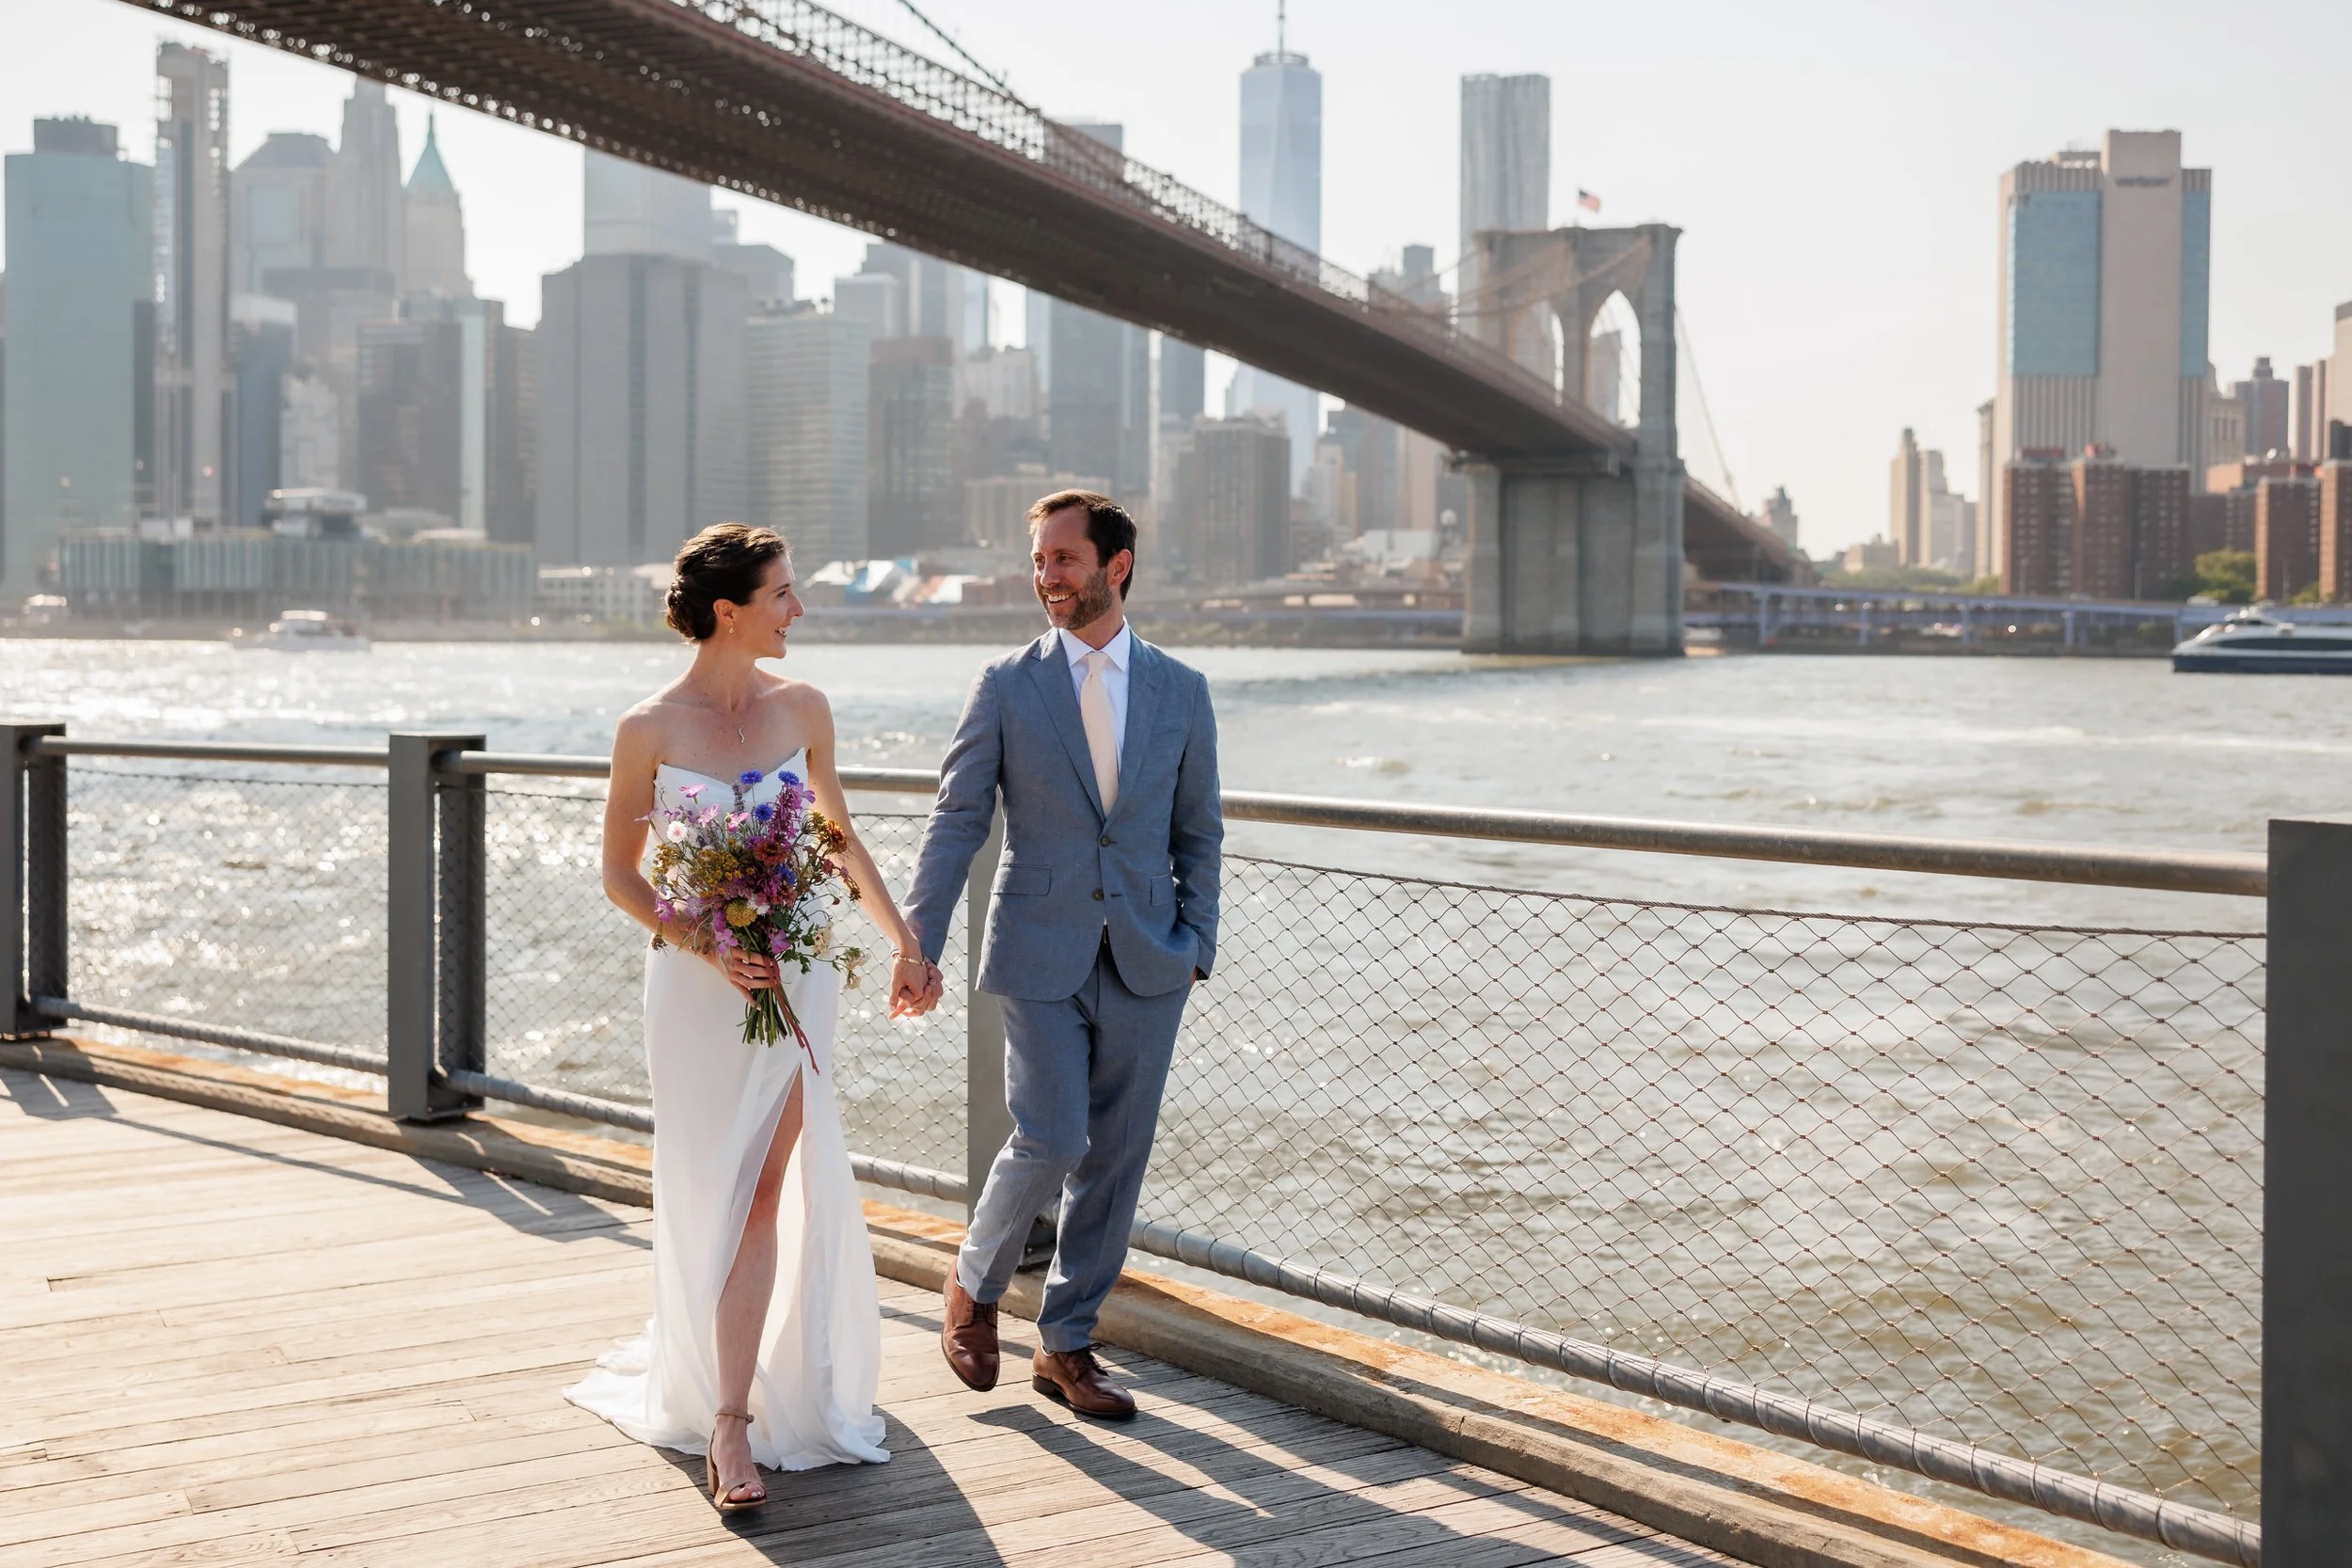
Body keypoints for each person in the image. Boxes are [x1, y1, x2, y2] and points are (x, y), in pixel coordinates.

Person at [565, 523, 943, 1511]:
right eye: (783, 593)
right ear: (729, 609)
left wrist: (904, 940)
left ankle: (731, 1422)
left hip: (800, 971)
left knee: (767, 1187)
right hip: (697, 983)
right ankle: (711, 1373)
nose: (798, 610)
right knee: (707, 1185)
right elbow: (617, 874)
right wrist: (701, 935)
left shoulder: (805, 706)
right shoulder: (647, 726)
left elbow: (837, 833)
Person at [901, 490, 1222, 1419]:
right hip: (1036, 951)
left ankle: (1067, 1343)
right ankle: (973, 1287)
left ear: (1115, 565)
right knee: (1053, 1135)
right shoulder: (1006, 683)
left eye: (1064, 559)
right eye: (1040, 560)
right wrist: (918, 940)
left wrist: (1197, 941)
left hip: (1149, 958)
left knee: (1115, 1156)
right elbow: (957, 819)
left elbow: (1198, 832)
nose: (1047, 576)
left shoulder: (1181, 690)